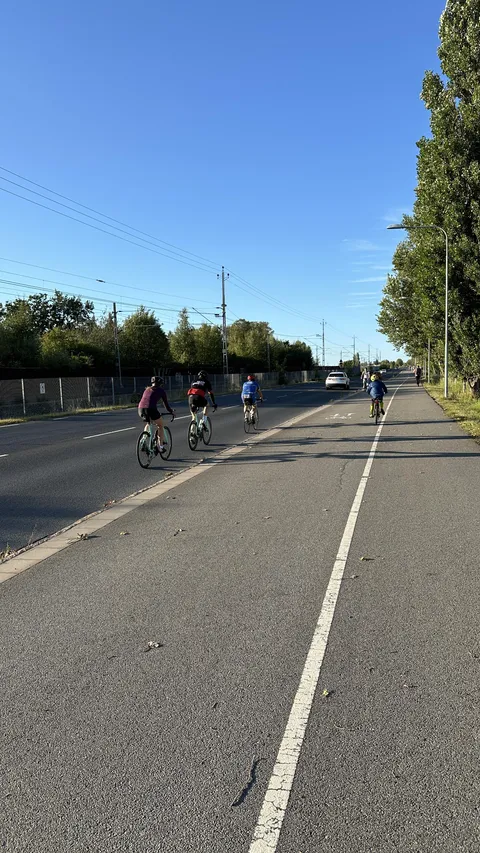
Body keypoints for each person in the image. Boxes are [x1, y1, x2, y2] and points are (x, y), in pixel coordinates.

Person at [138, 376, 175, 452]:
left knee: (148, 423)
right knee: (161, 425)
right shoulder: (161, 391)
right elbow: (166, 405)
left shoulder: (147, 390)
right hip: (151, 409)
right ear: (161, 384)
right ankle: (160, 446)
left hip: (140, 409)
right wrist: (171, 411)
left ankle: (143, 440)